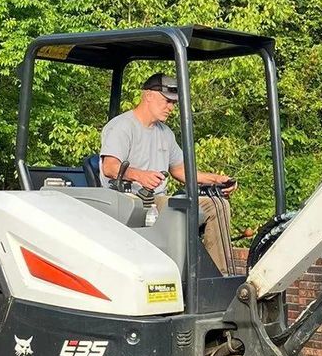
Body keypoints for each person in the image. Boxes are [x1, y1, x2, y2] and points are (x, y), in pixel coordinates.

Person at [99, 73, 237, 273]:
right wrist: (140, 175)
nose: (171, 108)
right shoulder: (122, 126)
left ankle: (217, 275)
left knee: (217, 204)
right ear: (148, 96)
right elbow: (109, 167)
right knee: (186, 207)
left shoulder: (165, 133)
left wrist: (217, 180)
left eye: (174, 103)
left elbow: (180, 170)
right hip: (130, 202)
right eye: (167, 101)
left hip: (157, 200)